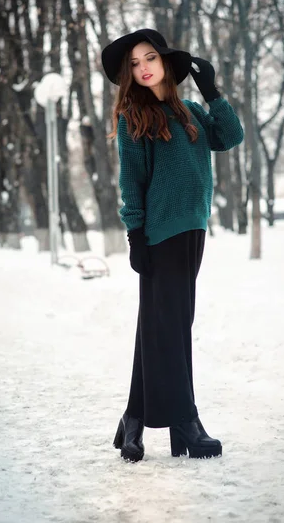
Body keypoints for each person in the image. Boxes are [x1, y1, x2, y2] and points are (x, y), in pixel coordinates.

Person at [101, 29, 244, 462]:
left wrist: (212, 89)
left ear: (165, 62)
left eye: (149, 58)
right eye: (134, 65)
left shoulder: (192, 112)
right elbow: (131, 182)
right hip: (159, 236)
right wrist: (135, 235)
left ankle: (134, 418)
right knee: (169, 328)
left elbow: (231, 136)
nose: (143, 68)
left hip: (193, 230)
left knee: (165, 325)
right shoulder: (134, 117)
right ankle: (185, 422)